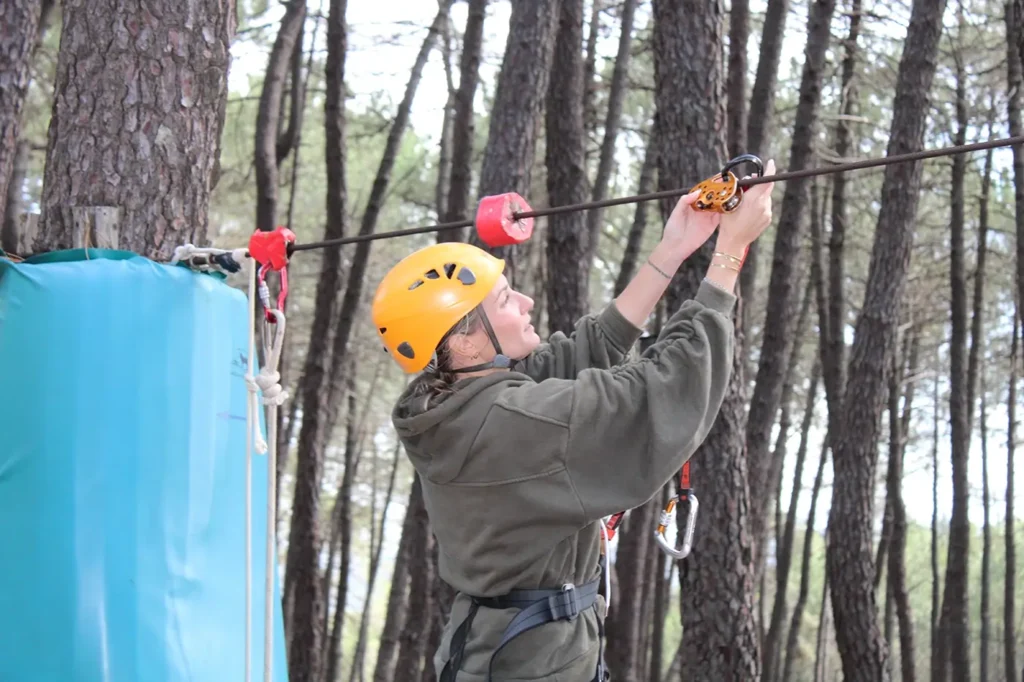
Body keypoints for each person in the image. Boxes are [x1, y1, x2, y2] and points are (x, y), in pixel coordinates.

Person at [371, 161, 776, 681]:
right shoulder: (517, 423)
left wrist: (674, 248)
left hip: (494, 651)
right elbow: (660, 391)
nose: (526, 301)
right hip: (536, 664)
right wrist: (728, 256)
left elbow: (585, 352)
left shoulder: (441, 404)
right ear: (464, 341)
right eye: (505, 300)